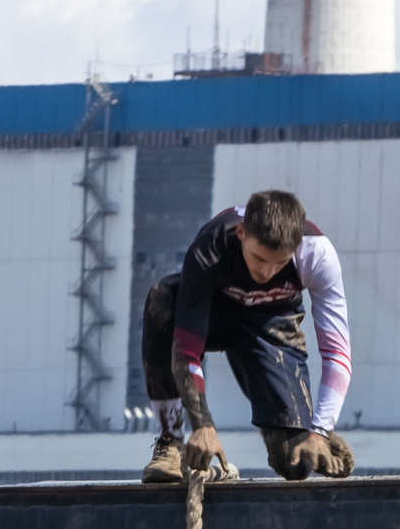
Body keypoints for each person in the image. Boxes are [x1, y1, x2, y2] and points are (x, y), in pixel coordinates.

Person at [140, 190, 355, 485]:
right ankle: (170, 442)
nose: (266, 272)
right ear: (241, 233)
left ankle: (307, 434)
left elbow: (337, 353)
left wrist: (320, 429)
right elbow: (186, 351)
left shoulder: (318, 254)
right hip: (214, 312)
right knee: (161, 300)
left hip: (271, 324)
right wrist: (202, 425)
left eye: (279, 263)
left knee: (295, 462)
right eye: (259, 258)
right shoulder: (211, 246)